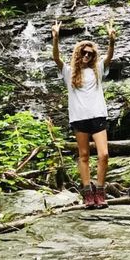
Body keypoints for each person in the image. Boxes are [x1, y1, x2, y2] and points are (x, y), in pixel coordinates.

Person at [52, 21, 116, 210]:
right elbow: (56, 59)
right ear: (78, 54)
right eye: (84, 52)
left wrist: (111, 41)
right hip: (79, 118)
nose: (87, 55)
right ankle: (87, 193)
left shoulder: (97, 70)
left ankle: (100, 190)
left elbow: (109, 57)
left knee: (103, 154)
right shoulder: (69, 72)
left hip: (97, 116)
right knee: (84, 155)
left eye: (90, 53)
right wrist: (56, 39)